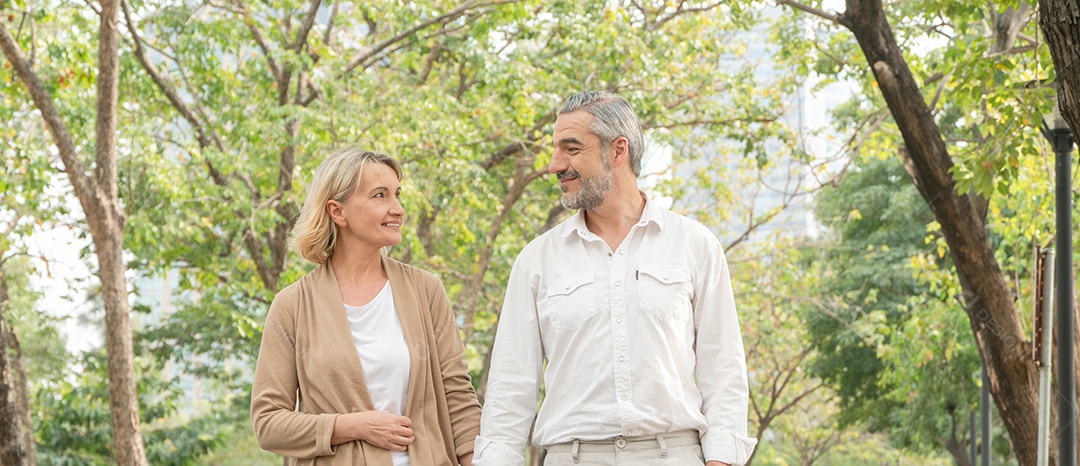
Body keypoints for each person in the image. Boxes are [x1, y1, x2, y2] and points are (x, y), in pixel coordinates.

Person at [474, 92, 757, 466]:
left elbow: (723, 370)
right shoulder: (536, 260)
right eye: (556, 150)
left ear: (618, 150)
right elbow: (509, 389)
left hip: (674, 455)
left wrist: (721, 460)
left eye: (571, 149)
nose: (555, 164)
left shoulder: (695, 244)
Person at [251, 147, 481, 466]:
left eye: (397, 194)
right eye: (380, 195)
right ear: (338, 211)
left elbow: (458, 398)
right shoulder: (293, 305)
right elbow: (268, 424)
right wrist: (352, 426)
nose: (398, 209)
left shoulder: (425, 290)